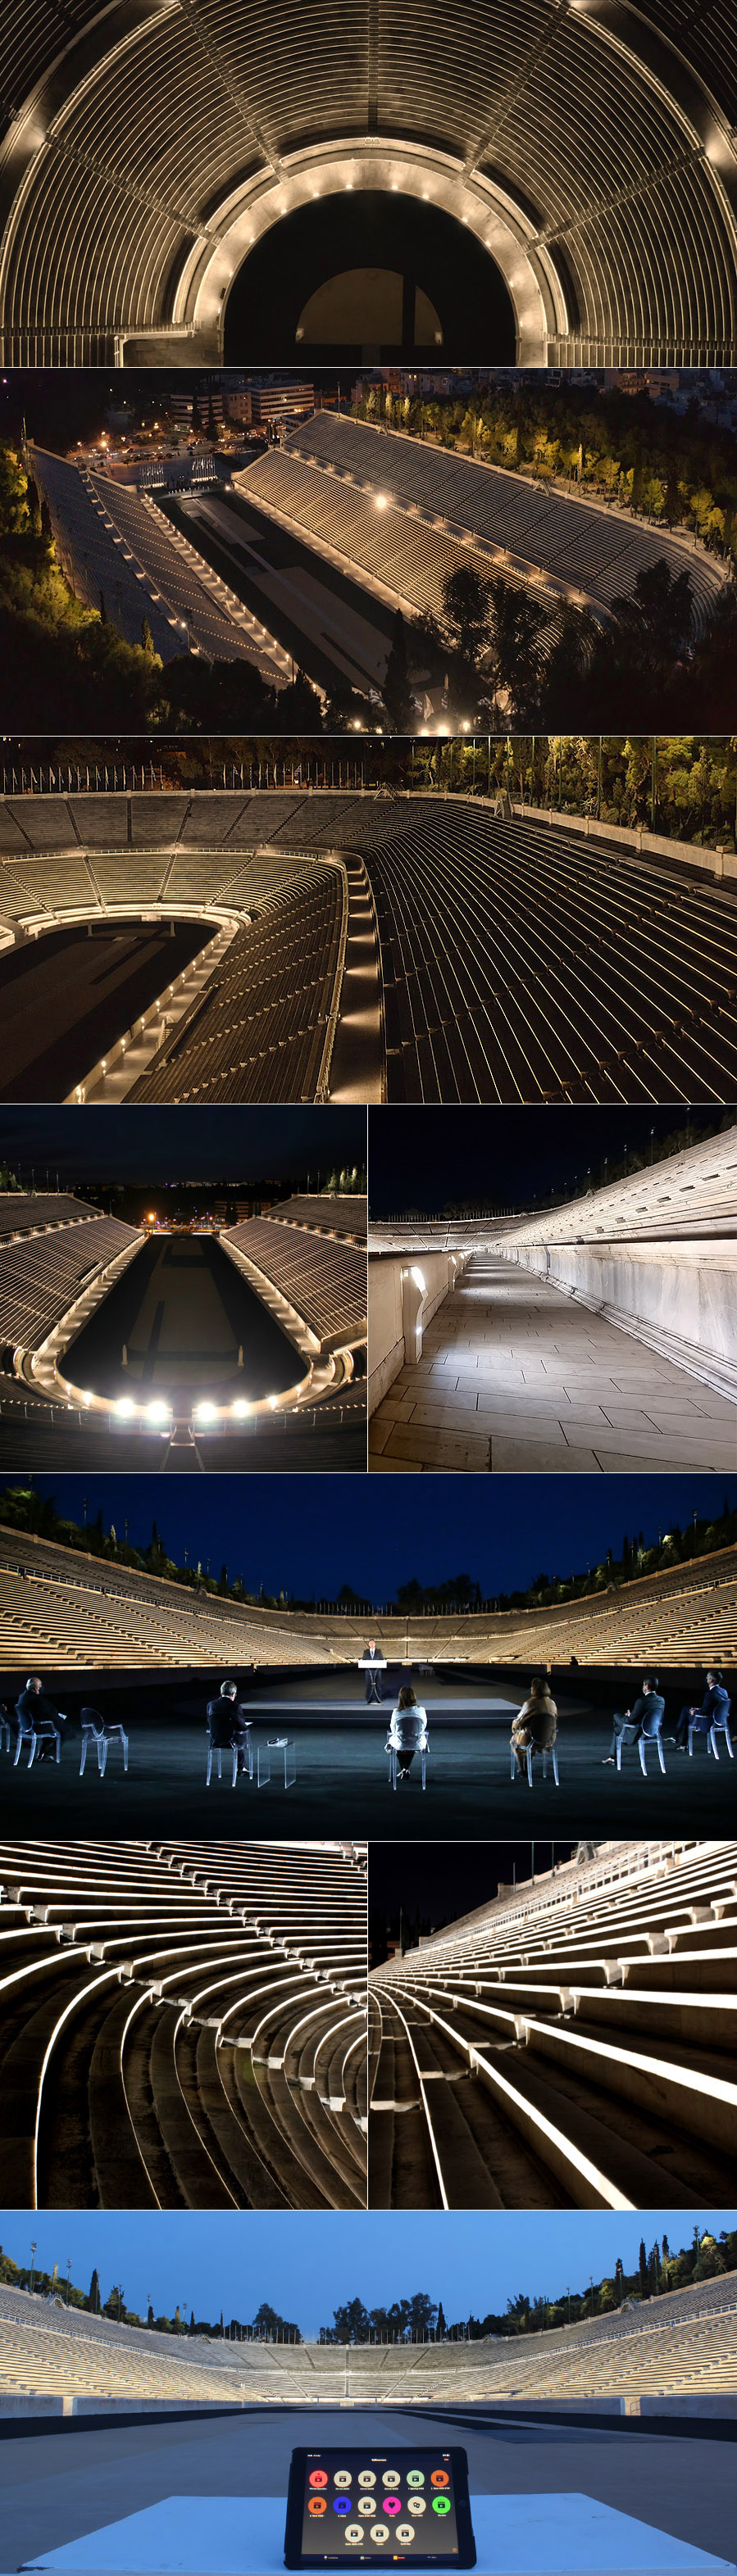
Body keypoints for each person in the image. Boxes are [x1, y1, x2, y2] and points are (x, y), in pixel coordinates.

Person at [603, 1675, 664, 1764]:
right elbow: (650, 1715)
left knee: (616, 1717)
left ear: (646, 1686)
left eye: (643, 1685)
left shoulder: (642, 1701)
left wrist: (628, 1716)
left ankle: (615, 1754)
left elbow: (631, 1721)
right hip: (654, 1732)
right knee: (617, 1730)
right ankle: (613, 1755)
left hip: (639, 1733)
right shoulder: (661, 1700)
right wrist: (633, 1715)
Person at [511, 1677, 557, 1775]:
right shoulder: (552, 1703)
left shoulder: (530, 1703)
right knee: (532, 1739)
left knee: (514, 1741)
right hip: (548, 1739)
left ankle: (521, 1769)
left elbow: (519, 1722)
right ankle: (528, 1767)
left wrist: (514, 1727)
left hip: (531, 1738)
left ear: (535, 1689)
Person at [14, 1676, 67, 1762]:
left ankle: (42, 1754)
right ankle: (49, 1754)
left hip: (26, 1727)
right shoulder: (37, 1699)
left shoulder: (22, 1697)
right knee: (65, 1731)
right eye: (41, 1685)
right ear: (36, 1688)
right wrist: (59, 1718)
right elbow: (49, 1712)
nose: (42, 1687)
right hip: (36, 1727)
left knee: (54, 1730)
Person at [675, 1671, 731, 1750]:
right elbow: (713, 1708)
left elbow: (704, 1712)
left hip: (707, 1723)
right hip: (720, 1722)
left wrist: (694, 1712)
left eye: (707, 1677)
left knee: (686, 1713)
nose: (706, 1678)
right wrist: (699, 1710)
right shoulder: (724, 1692)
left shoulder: (709, 1693)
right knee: (687, 1712)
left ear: (711, 1680)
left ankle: (677, 1738)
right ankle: (679, 1740)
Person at [206, 1679, 252, 1775]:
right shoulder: (235, 1706)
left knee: (237, 1735)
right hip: (231, 1741)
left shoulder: (210, 1705)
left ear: (221, 1692)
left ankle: (240, 1767)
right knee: (242, 1736)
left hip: (215, 1740)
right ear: (233, 1694)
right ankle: (241, 1767)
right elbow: (241, 1726)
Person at [385, 1684, 428, 1780]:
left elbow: (393, 1728)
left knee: (400, 1742)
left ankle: (404, 1770)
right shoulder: (421, 1710)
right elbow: (424, 1726)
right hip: (416, 1742)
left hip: (401, 1742)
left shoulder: (396, 1712)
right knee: (410, 1742)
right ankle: (405, 1770)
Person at [359, 1639, 386, 1704]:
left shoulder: (379, 1651)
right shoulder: (366, 1652)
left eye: (373, 1643)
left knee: (378, 1685)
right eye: (370, 1643)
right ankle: (369, 1699)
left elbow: (382, 1660)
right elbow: (364, 1660)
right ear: (369, 1645)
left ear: (375, 1644)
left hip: (377, 1671)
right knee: (369, 1685)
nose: (372, 1644)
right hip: (368, 1672)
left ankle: (378, 1699)